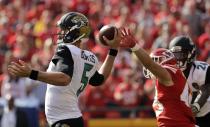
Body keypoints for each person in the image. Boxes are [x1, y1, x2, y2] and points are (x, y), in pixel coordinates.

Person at [7, 12, 121, 127]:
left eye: (64, 30)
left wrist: (31, 73)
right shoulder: (90, 57)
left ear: (75, 31)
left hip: (64, 120)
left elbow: (64, 78)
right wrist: (113, 51)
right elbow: (100, 79)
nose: (61, 33)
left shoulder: (65, 49)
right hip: (73, 118)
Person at [120, 28, 196, 127]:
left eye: (156, 60)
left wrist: (134, 46)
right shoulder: (174, 77)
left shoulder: (170, 72)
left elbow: (150, 65)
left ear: (166, 61)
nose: (154, 63)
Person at [169, 35, 210, 127]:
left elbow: (207, 89)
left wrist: (196, 106)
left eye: (179, 55)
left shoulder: (201, 70)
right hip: (186, 116)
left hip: (207, 113)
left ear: (190, 54)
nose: (176, 59)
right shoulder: (171, 73)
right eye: (173, 55)